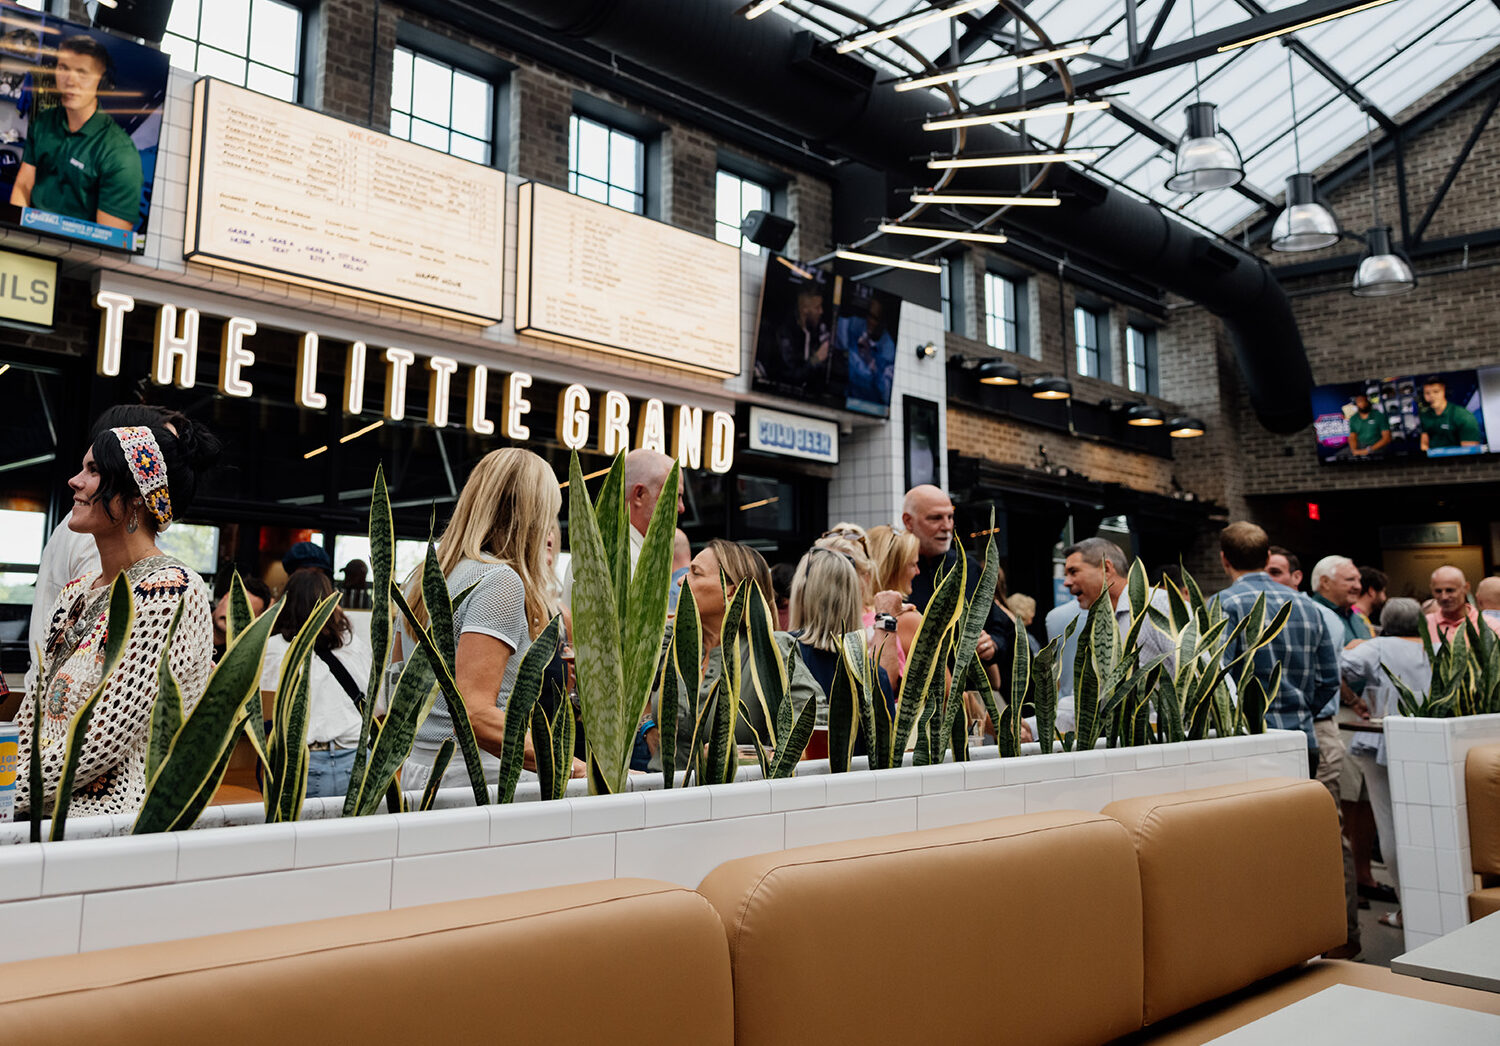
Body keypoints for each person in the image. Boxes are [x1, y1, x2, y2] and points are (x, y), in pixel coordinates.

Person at [16, 411, 219, 818]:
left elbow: (102, 738)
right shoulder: (77, 593)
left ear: (135, 498)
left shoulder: (172, 591)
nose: (75, 480)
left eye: (93, 471)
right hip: (36, 822)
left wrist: (11, 792)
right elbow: (30, 715)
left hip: (108, 834)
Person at [400, 448, 582, 793]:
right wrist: (572, 766)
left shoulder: (423, 578)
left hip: (420, 770)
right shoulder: (500, 581)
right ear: (531, 516)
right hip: (479, 776)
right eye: (549, 514)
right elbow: (476, 715)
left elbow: (392, 693)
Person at [1218, 522, 1358, 958]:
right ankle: (1339, 935)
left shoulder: (1222, 604)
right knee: (1318, 835)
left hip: (1247, 745)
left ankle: (1275, 945)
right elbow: (1327, 680)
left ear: (1224, 560)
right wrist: (1300, 715)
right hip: (1303, 739)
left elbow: (1215, 681)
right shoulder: (1312, 609)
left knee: (1256, 845)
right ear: (1266, 560)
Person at [25, 405, 187, 694]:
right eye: (161, 448)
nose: (167, 467)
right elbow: (93, 667)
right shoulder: (97, 535)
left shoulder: (170, 588)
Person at [655, 539, 821, 770]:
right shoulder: (670, 641)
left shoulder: (769, 649)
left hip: (731, 798)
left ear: (732, 590)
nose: (682, 580)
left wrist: (751, 756)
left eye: (696, 573)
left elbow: (817, 727)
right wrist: (646, 727)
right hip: (657, 794)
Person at [1340, 597, 1433, 924]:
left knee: (1389, 822)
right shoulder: (1434, 647)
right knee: (1426, 824)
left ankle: (1407, 907)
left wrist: (1353, 697)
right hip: (1427, 740)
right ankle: (1432, 901)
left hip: (1381, 739)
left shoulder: (1378, 646)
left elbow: (1339, 666)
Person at [259, 569, 373, 799]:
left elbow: (266, 712)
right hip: (357, 758)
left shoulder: (273, 648)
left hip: (303, 763)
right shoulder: (353, 644)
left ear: (287, 601)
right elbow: (377, 704)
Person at [9, 34, 142, 230]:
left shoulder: (120, 153)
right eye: (63, 68)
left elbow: (110, 240)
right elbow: (24, 185)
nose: (70, 81)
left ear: (102, 82)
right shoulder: (44, 121)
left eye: (82, 72)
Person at [1427, 564, 1500, 643]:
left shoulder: (1490, 625)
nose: (1444, 597)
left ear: (1466, 588)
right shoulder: (1425, 624)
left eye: (1450, 590)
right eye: (1438, 591)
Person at [1308, 556, 1371, 646]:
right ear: (1325, 582)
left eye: (1359, 580)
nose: (1358, 586)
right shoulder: (1310, 616)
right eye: (1350, 579)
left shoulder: (1358, 618)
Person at [212, 576, 271, 659]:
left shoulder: (239, 658)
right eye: (234, 604)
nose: (234, 615)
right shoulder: (190, 619)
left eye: (244, 613)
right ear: (224, 597)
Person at [1418, 376, 1482, 453]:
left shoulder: (1463, 416)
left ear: (1444, 392)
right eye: (1427, 393)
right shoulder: (1425, 415)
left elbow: (1470, 451)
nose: (1431, 396)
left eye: (1436, 391)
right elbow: (1424, 445)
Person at [1346, 393, 1391, 457]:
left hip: (1376, 446)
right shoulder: (1353, 418)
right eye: (1359, 401)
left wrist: (1368, 450)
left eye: (1363, 401)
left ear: (1367, 402)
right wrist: (1354, 450)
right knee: (1340, 456)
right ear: (1356, 404)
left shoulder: (1379, 416)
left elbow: (1387, 438)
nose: (1361, 403)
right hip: (1360, 446)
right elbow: (1352, 437)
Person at [1353, 567, 1388, 635]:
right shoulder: (1358, 619)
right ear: (1371, 591)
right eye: (1383, 592)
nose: (1384, 598)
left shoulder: (1356, 617)